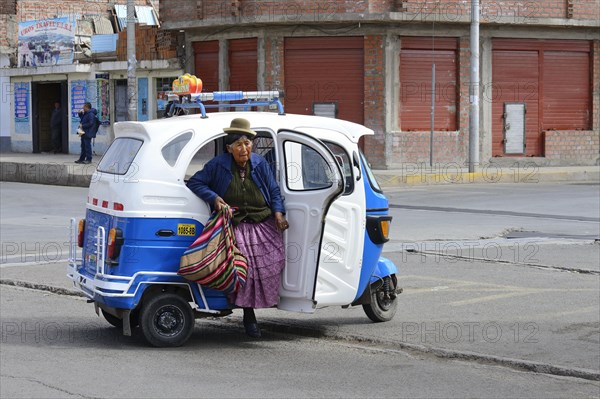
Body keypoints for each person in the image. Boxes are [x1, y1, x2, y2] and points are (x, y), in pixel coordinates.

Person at [187, 118, 289, 338]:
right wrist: (214, 198)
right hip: (235, 225)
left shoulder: (260, 164)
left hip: (262, 223)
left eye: (248, 144)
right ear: (229, 148)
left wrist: (279, 214)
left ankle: (265, 303)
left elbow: (273, 191)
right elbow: (195, 182)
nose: (245, 149)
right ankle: (249, 316)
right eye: (240, 145)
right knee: (245, 269)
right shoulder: (218, 165)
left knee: (272, 262)